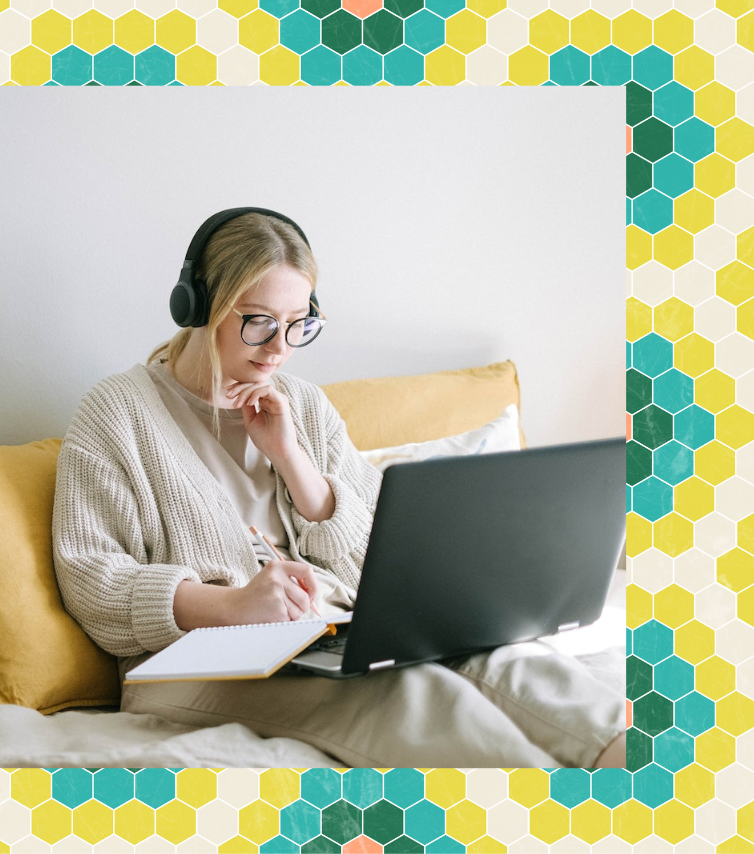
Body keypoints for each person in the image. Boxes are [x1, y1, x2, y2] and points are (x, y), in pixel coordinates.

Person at [51, 207, 626, 768]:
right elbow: (92, 579)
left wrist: (292, 459)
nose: (279, 347)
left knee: (515, 663)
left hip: (332, 634)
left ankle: (644, 776)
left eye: (298, 324)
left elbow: (379, 551)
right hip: (191, 665)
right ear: (199, 307)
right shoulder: (116, 414)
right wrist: (232, 605)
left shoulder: (302, 404)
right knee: (421, 700)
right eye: (258, 321)